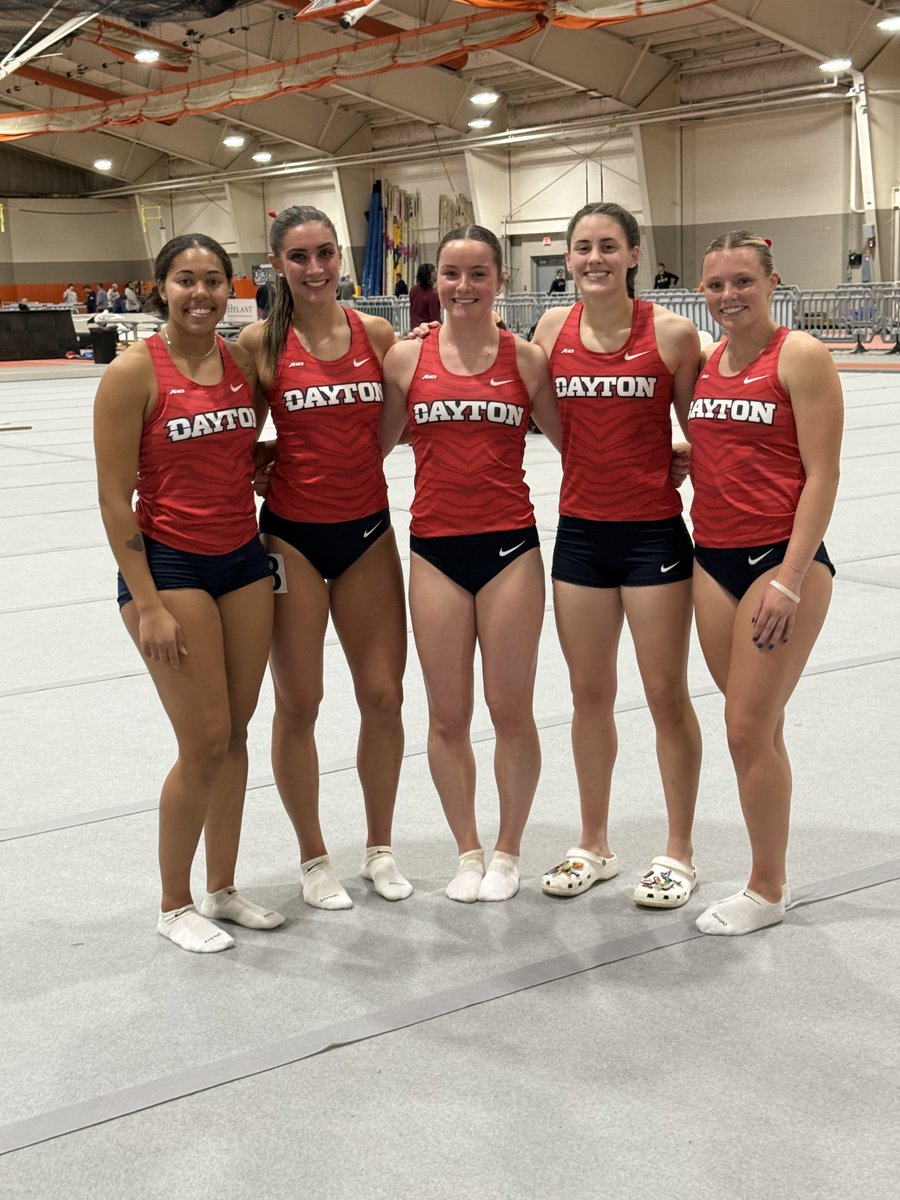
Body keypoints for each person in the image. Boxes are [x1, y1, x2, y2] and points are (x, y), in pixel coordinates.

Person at [93, 233, 281, 954]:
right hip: (170, 568)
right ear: (158, 287)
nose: (199, 294)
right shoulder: (132, 373)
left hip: (242, 560)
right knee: (202, 740)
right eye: (185, 281)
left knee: (235, 734)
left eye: (213, 281)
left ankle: (224, 889)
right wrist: (148, 605)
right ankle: (174, 903)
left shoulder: (240, 363)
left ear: (231, 288)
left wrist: (258, 458)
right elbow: (115, 500)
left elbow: (245, 441)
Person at [237, 205, 411, 910]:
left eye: (325, 254)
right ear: (277, 264)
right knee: (300, 703)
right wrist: (262, 460)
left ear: (341, 258)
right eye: (299, 257)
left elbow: (399, 423)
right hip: (292, 539)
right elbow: (235, 441)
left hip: (368, 532)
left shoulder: (374, 333)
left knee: (384, 695)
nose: (315, 269)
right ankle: (313, 856)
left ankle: (379, 847)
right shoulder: (259, 342)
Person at [381, 225, 561, 903]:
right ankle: (467, 849)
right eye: (451, 274)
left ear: (500, 280)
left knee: (510, 709)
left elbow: (584, 446)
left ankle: (509, 850)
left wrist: (674, 458)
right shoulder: (405, 360)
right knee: (447, 716)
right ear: (435, 282)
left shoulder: (528, 360)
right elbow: (360, 452)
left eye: (478, 273)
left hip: (510, 546)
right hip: (434, 549)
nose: (463, 287)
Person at [532, 201, 703, 909]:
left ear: (635, 254)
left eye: (608, 246)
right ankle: (594, 842)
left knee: (665, 694)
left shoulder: (672, 333)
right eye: (582, 247)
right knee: (587, 694)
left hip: (652, 537)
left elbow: (705, 427)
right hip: (580, 535)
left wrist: (685, 456)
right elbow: (538, 412)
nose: (594, 258)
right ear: (567, 259)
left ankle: (679, 850)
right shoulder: (550, 329)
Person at [688, 230, 842, 936]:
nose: (729, 296)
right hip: (712, 557)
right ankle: (769, 873)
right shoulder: (708, 361)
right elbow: (725, 440)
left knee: (745, 728)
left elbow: (823, 474)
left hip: (780, 563)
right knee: (760, 725)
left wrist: (791, 577)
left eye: (743, 282)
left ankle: (767, 887)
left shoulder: (799, 355)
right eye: (717, 285)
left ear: (772, 282)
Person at [408, 262, 440, 327]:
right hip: (428, 331)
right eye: (435, 273)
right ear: (430, 276)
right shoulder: (433, 294)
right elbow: (435, 318)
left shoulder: (413, 289)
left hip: (415, 329)